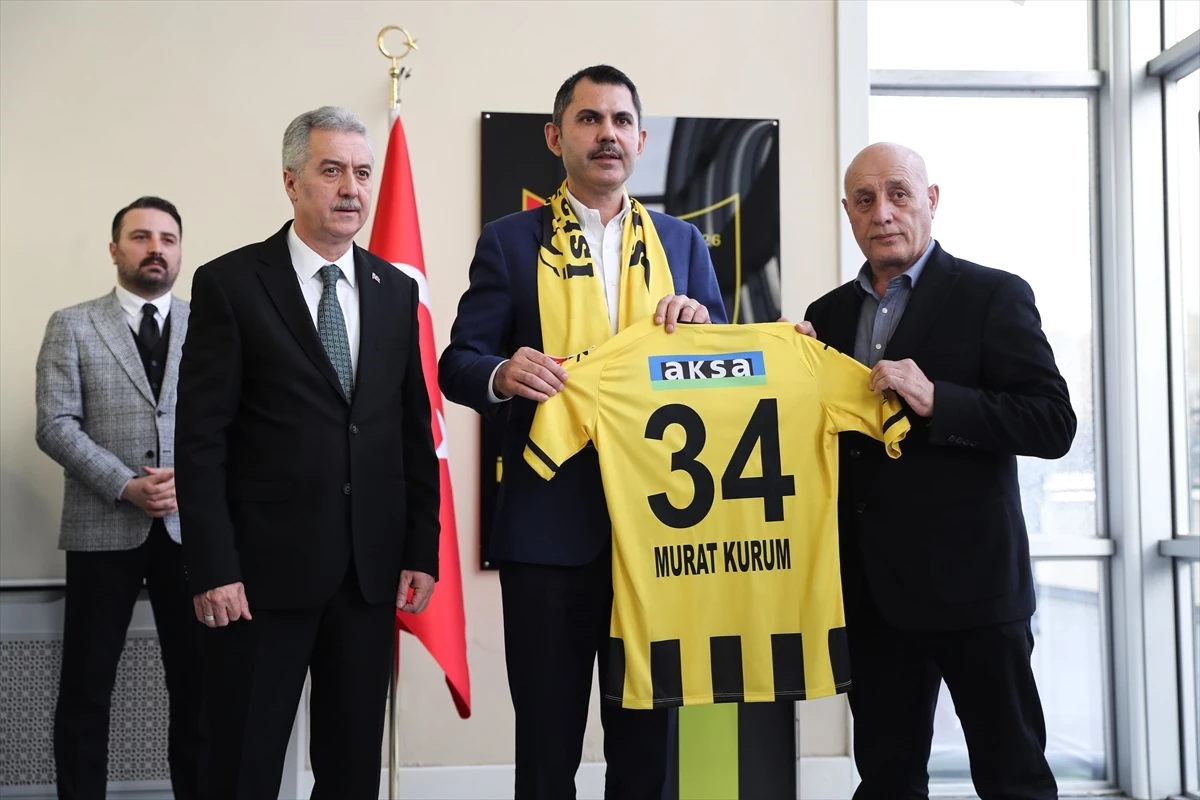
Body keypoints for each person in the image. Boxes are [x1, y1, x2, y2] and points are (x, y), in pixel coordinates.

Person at [439, 64, 727, 799]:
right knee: (546, 747)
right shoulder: (509, 241)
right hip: (546, 533)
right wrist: (502, 372)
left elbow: (728, 374)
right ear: (555, 136)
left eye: (621, 121)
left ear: (642, 140)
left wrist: (702, 330)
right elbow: (456, 363)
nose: (607, 135)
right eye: (589, 119)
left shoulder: (682, 245)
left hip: (661, 530)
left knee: (647, 751)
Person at [174, 106, 441, 800]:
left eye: (363, 173)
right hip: (256, 581)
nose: (352, 188)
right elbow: (200, 441)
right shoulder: (231, 284)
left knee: (350, 772)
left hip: (368, 576)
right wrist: (214, 567)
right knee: (242, 767)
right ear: (291, 181)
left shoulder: (395, 289)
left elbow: (412, 431)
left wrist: (422, 548)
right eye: (332, 171)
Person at [798, 142, 1076, 800]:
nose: (883, 212)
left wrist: (937, 400)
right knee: (887, 782)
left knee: (1014, 781)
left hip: (975, 591)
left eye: (899, 193)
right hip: (873, 599)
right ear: (847, 211)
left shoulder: (993, 295)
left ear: (931, 200)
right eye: (865, 199)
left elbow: (1052, 423)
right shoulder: (825, 316)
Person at [35, 196, 201, 800]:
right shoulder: (72, 324)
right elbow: (55, 424)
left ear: (179, 252)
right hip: (101, 528)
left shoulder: (211, 324)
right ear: (114, 249)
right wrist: (125, 484)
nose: (156, 249)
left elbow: (237, 424)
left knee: (199, 689)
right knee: (86, 688)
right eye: (141, 237)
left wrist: (191, 481)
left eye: (168, 239)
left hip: (192, 530)